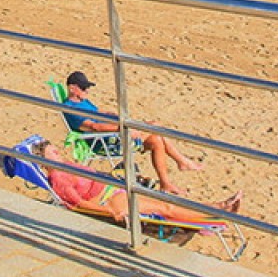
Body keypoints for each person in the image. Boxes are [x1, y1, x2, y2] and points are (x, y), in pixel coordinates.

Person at [62, 70, 204, 195]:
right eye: (84, 88)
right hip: (104, 142)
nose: (87, 91)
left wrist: (116, 116)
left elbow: (98, 112)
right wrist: (123, 128)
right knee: (155, 128)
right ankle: (181, 162)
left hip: (113, 135)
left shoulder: (82, 102)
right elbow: (94, 127)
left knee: (156, 140)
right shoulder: (71, 108)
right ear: (72, 88)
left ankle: (166, 182)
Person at [35, 138, 241, 223]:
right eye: (53, 153)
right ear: (44, 161)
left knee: (163, 202)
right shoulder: (58, 177)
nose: (59, 153)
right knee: (164, 209)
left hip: (112, 190)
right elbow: (77, 204)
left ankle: (210, 211)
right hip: (108, 200)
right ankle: (215, 214)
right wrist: (110, 212)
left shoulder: (65, 167)